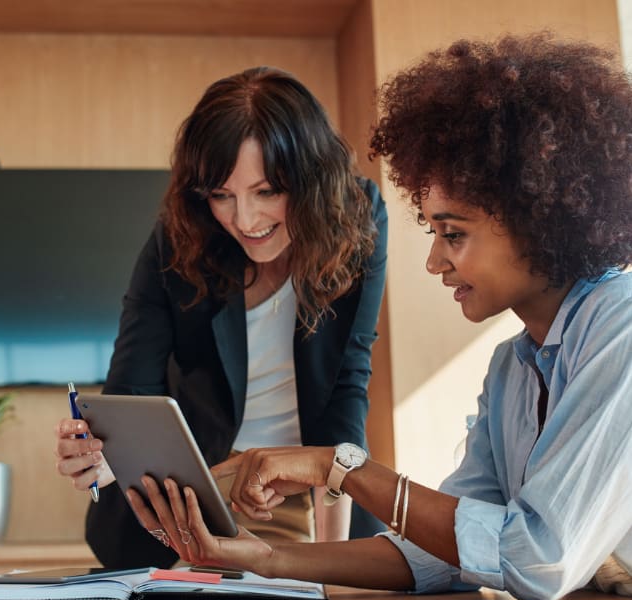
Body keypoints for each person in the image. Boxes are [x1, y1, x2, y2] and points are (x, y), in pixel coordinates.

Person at [128, 34, 632, 600]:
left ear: (539, 217)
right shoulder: (513, 370)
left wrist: (341, 464)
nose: (434, 258)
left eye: (454, 233)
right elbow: (443, 554)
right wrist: (264, 559)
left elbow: (537, 557)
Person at [53, 66, 389, 568]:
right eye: (221, 195)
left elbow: (347, 383)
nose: (245, 220)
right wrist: (100, 456)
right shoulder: (179, 237)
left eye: (267, 191)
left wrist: (333, 559)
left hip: (314, 495)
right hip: (191, 501)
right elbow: (132, 391)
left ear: (312, 180)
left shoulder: (357, 218)